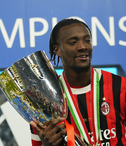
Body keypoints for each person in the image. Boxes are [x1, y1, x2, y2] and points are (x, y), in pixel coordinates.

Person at [30, 18, 126, 146]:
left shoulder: (120, 86)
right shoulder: (45, 101)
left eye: (87, 40)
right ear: (56, 50)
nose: (83, 46)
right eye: (73, 42)